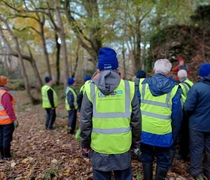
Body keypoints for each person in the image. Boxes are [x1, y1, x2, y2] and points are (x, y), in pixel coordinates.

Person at [80, 47, 141, 180]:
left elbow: (85, 121)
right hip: (122, 146)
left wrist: (85, 144)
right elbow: (136, 119)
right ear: (116, 67)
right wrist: (136, 142)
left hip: (99, 147)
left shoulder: (90, 88)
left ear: (99, 69)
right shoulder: (129, 87)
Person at [139, 59, 183, 179]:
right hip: (164, 132)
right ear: (169, 73)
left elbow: (135, 110)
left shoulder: (142, 85)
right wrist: (173, 136)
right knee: (163, 159)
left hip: (145, 130)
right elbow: (177, 116)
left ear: (154, 70)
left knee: (146, 156)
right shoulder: (175, 88)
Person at [184, 63, 210, 180]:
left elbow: (188, 107)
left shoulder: (196, 88)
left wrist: (189, 117)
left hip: (197, 125)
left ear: (201, 75)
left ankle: (196, 172)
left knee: (196, 148)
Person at [174, 70, 194, 160]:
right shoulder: (191, 83)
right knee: (188, 133)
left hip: (184, 111)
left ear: (178, 77)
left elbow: (179, 100)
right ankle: (188, 150)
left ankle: (182, 152)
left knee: (183, 133)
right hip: (192, 111)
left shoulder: (180, 86)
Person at [0, 76, 18, 160]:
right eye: (7, 82)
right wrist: (14, 119)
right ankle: (6, 155)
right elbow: (8, 108)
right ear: (3, 83)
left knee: (1, 137)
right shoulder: (4, 94)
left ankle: (1, 155)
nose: (9, 83)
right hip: (6, 121)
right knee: (6, 138)